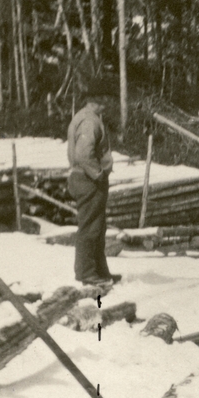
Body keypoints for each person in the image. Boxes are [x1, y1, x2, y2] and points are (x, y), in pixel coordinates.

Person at [67, 85, 118, 289]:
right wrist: (98, 174)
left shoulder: (85, 117)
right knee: (91, 227)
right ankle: (87, 273)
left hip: (85, 177)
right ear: (95, 101)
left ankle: (99, 271)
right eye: (104, 99)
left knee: (97, 226)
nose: (107, 104)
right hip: (88, 179)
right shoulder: (90, 121)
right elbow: (83, 154)